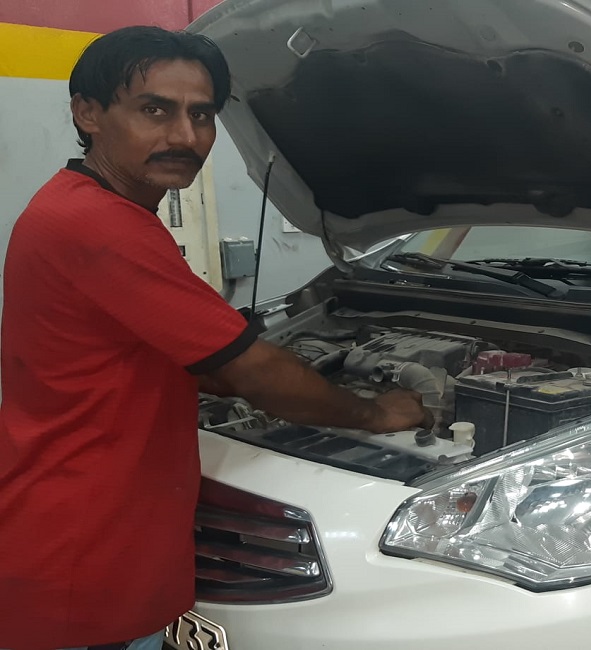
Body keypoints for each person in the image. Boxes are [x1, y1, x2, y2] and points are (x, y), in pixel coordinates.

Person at [0, 26, 430, 650]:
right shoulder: (99, 224)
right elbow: (251, 372)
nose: (184, 136)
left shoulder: (76, 203)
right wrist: (376, 413)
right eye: (155, 110)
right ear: (87, 113)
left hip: (87, 527)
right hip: (84, 557)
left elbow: (169, 359)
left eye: (201, 115)